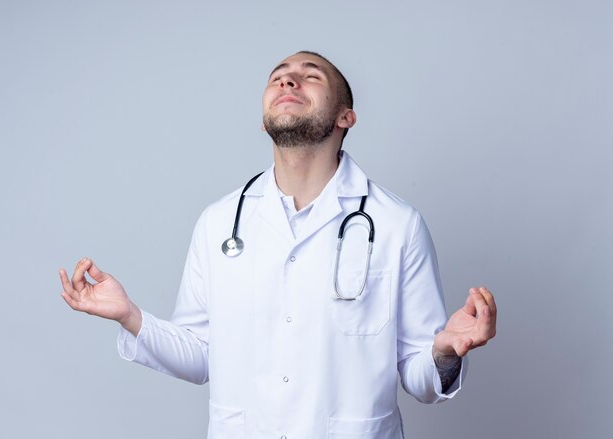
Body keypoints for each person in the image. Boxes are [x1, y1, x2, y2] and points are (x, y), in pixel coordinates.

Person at [60, 50, 497, 439]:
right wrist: (130, 316)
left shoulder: (397, 224)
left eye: (311, 76)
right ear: (265, 114)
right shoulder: (219, 224)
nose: (288, 81)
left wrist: (442, 353)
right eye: (278, 76)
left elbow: (420, 379)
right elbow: (200, 355)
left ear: (346, 116)